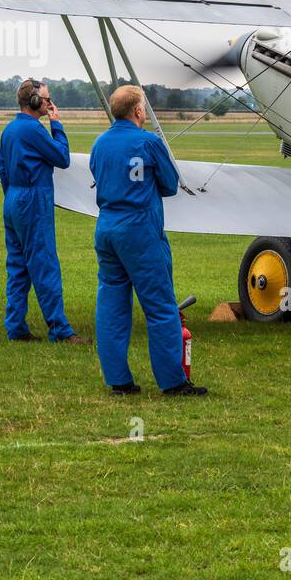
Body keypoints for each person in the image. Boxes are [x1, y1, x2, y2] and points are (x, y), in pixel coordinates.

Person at [89, 85, 206, 396]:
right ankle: (173, 381)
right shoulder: (149, 141)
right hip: (139, 229)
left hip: (106, 228)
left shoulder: (99, 144)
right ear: (138, 111)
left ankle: (119, 381)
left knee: (112, 305)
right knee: (160, 305)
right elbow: (169, 185)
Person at [0, 78, 87, 344]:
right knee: (45, 263)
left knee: (18, 266)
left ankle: (15, 327)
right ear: (36, 101)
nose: (50, 104)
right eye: (47, 99)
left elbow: (3, 169)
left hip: (12, 198)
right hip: (33, 200)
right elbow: (62, 158)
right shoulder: (33, 130)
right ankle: (60, 329)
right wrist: (56, 124)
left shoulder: (10, 129)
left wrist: (14, 197)